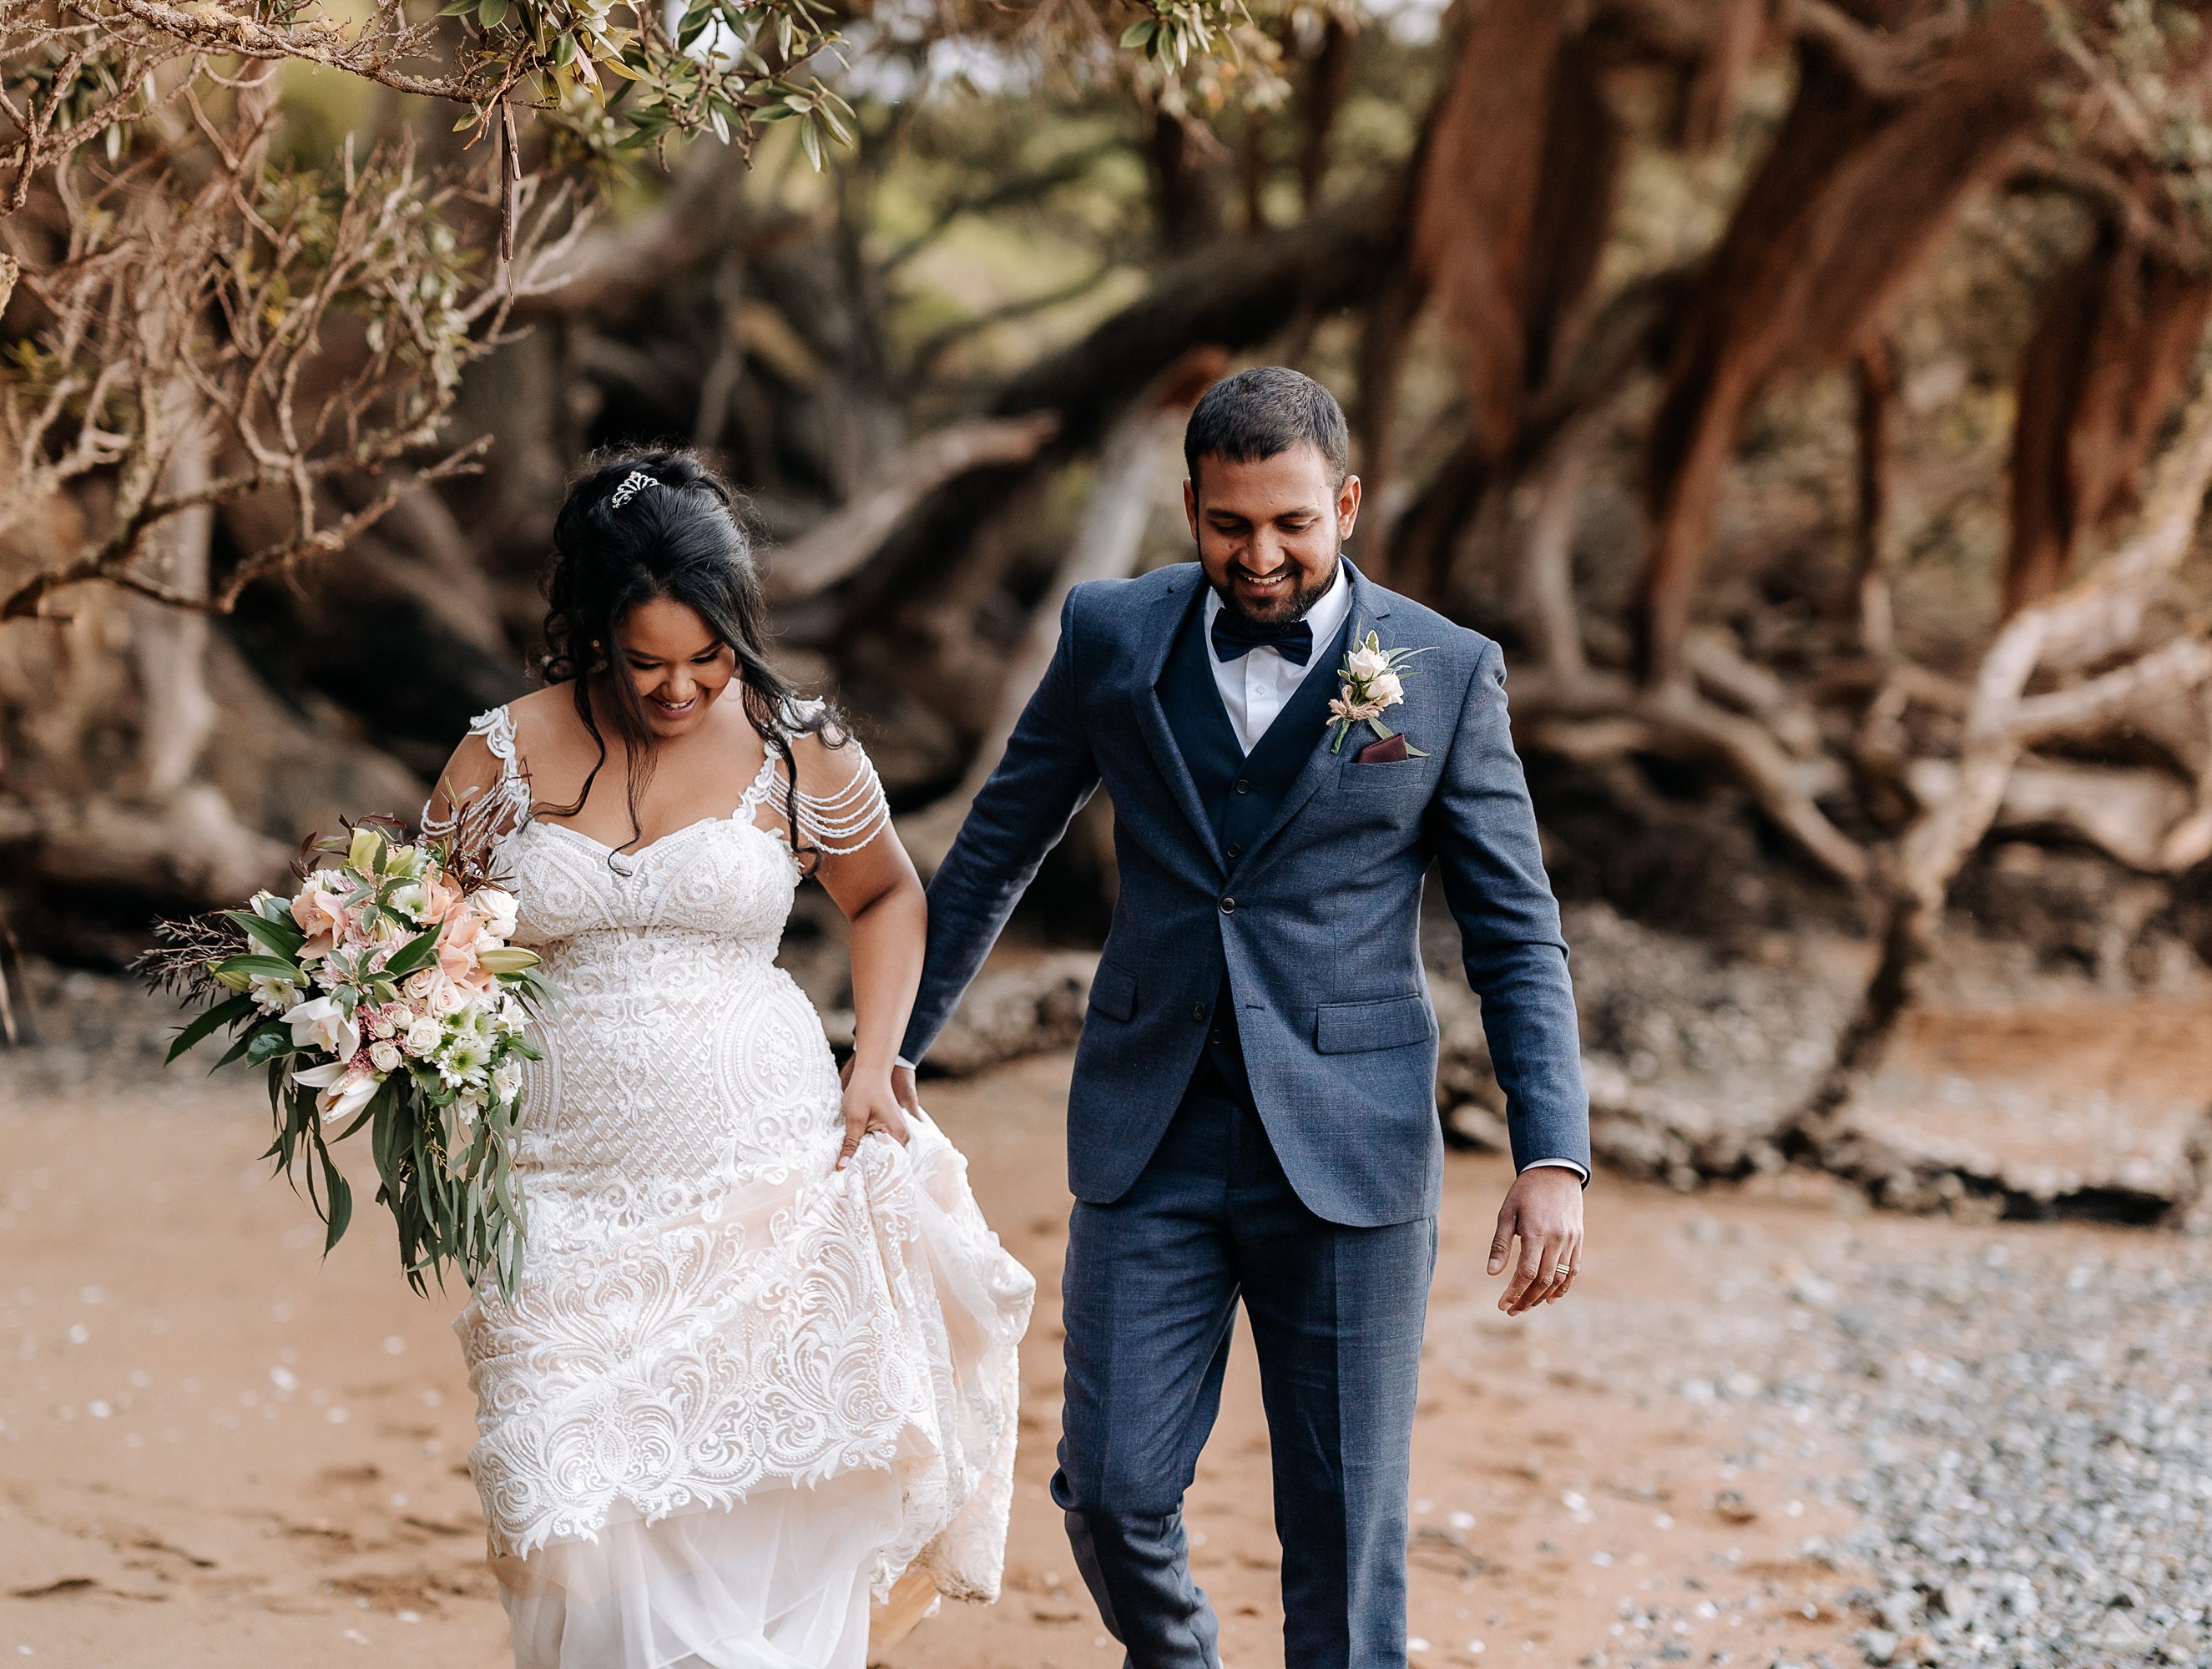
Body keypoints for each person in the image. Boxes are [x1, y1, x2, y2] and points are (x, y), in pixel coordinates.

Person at [891, 367, 1591, 1669]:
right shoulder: (1112, 637)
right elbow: (995, 850)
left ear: (1348, 504)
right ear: (1192, 508)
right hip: (1150, 1128)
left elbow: (1515, 933)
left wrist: (1551, 1153)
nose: (1259, 557)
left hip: (1354, 1142)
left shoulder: (1443, 673)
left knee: (1343, 1529)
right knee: (1108, 1491)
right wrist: (891, 1048)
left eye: (1291, 525)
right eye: (1229, 526)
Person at [423, 449, 1034, 1669]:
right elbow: (423, 935)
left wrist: (877, 1060)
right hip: (557, 1191)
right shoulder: (501, 756)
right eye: (645, 662)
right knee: (564, 1499)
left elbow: (887, 899)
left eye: (707, 660)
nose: (679, 689)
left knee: (752, 1499)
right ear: (592, 632)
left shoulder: (796, 742)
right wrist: (391, 1022)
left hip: (763, 1177)